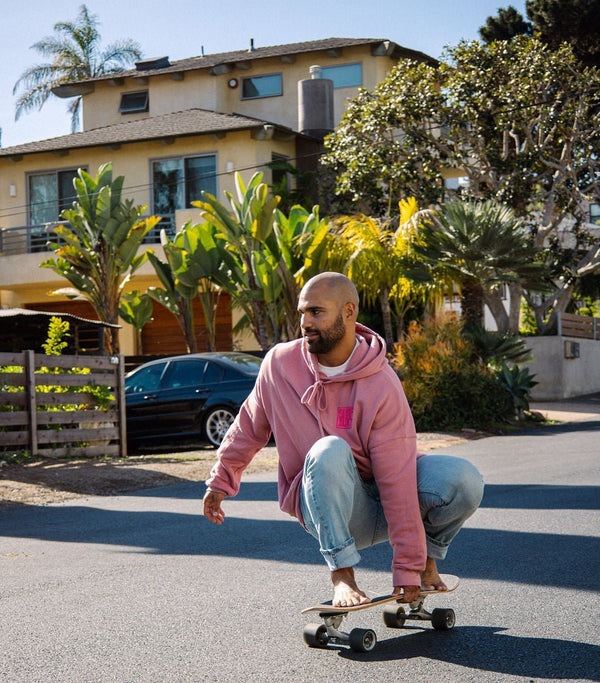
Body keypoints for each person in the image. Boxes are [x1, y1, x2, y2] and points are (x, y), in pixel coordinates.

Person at [203, 272, 484, 607]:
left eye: (316, 312)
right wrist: (220, 482)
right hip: (323, 504)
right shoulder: (280, 365)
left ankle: (426, 562)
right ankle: (342, 575)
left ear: (349, 312)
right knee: (329, 450)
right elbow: (248, 426)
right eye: (302, 312)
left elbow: (396, 477)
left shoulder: (381, 383)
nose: (305, 322)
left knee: (463, 478)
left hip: (379, 501)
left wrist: (406, 566)